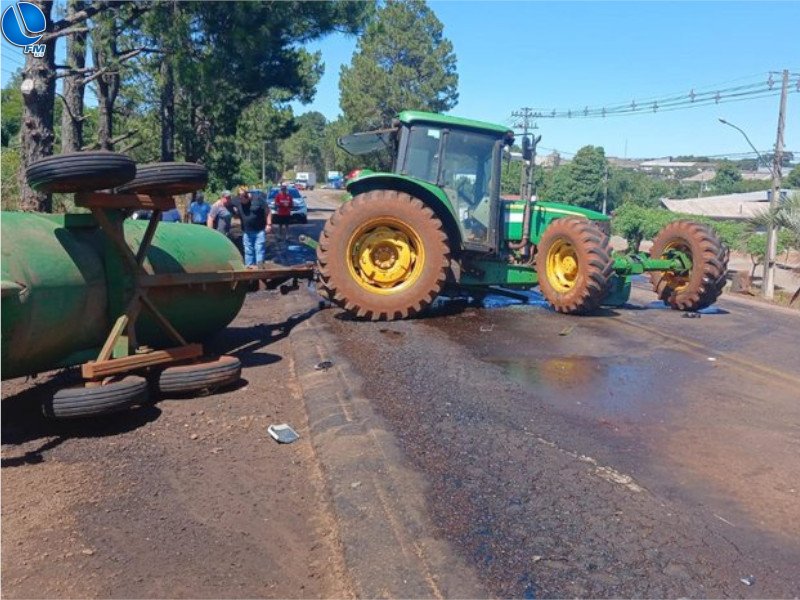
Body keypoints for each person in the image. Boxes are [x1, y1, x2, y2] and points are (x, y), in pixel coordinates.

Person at [233, 186, 271, 268]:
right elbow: (226, 202)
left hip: (259, 231)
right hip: (246, 232)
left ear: (247, 196)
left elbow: (268, 211)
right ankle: (249, 268)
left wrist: (269, 224)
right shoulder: (237, 200)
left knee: (259, 250)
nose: (242, 202)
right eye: (240, 199)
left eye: (243, 200)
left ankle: (259, 268)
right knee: (248, 251)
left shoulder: (258, 200)